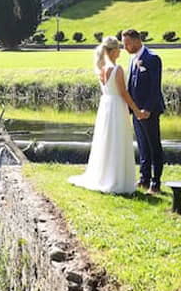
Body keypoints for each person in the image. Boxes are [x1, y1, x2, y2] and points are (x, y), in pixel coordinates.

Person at [68, 35, 149, 194]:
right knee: (117, 140)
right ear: (112, 51)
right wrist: (137, 111)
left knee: (106, 140)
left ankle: (106, 175)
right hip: (117, 107)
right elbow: (124, 93)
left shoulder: (101, 68)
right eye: (118, 48)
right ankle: (116, 180)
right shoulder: (116, 69)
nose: (121, 50)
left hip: (106, 107)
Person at [122, 28, 166, 194]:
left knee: (154, 146)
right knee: (142, 146)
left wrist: (147, 109)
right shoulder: (132, 59)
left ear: (136, 41)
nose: (124, 47)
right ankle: (144, 178)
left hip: (150, 111)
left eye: (126, 43)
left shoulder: (152, 58)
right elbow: (129, 87)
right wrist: (129, 109)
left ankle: (156, 183)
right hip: (136, 112)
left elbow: (155, 88)